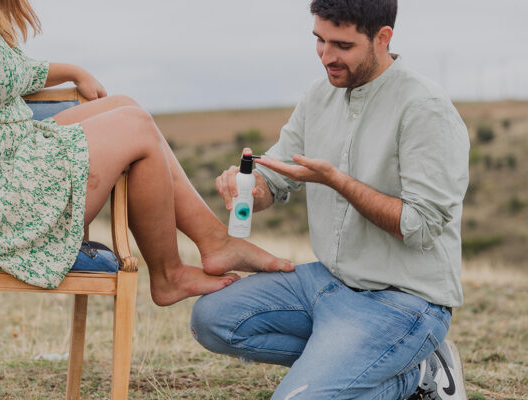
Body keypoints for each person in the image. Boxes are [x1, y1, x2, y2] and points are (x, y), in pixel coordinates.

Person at [0, 0, 295, 306]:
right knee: (134, 126)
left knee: (124, 105)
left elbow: (9, 71)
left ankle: (213, 244)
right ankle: (171, 273)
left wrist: (73, 70)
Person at [191, 0, 470, 398]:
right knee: (212, 318)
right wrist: (251, 188)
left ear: (382, 38)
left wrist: (339, 182)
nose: (326, 56)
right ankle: (371, 365)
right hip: (328, 282)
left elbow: (420, 227)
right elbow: (274, 177)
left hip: (404, 301)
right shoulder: (318, 96)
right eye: (319, 41)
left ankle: (417, 373)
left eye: (341, 45)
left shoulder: (426, 108)